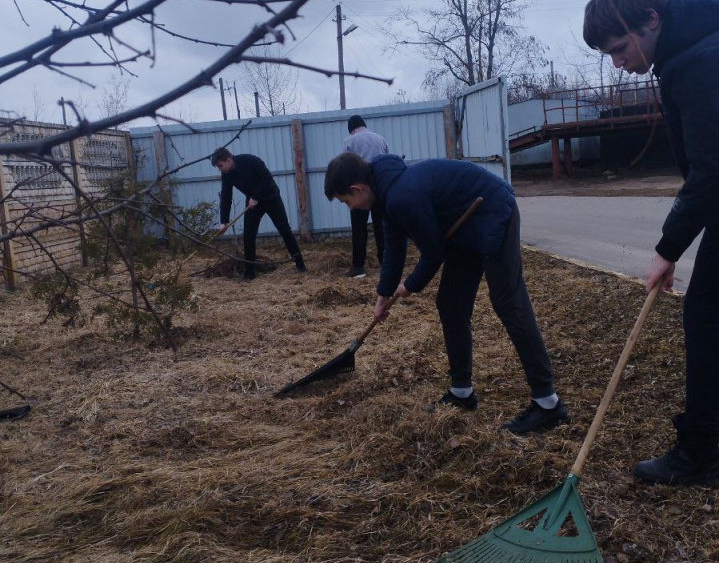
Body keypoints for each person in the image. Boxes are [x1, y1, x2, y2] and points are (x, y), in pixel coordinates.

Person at [583, 0, 719, 486]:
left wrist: (668, 249)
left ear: (652, 20)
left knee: (707, 316)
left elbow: (714, 171)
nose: (619, 64)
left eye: (621, 49)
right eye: (609, 56)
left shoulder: (696, 60)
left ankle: (699, 456)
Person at [324, 151, 568, 433]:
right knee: (450, 304)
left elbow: (433, 253)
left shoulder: (401, 195)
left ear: (357, 188)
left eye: (346, 202)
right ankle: (461, 392)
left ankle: (548, 403)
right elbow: (394, 248)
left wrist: (410, 285)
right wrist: (382, 298)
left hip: (492, 211)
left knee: (509, 303)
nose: (351, 208)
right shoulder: (384, 193)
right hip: (465, 225)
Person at [211, 147, 307, 279]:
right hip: (253, 204)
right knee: (248, 236)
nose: (220, 169)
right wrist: (224, 222)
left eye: (220, 166)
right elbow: (226, 196)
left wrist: (256, 196)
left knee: (285, 230)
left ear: (228, 160)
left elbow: (267, 179)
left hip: (271, 198)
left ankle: (300, 265)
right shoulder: (227, 174)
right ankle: (249, 273)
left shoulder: (251, 161)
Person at [341, 114, 389, 278]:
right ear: (363, 125)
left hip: (359, 190)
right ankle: (386, 263)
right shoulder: (380, 139)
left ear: (352, 128)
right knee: (381, 226)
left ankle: (358, 267)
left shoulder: (350, 141)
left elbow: (345, 167)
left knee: (359, 227)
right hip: (380, 186)